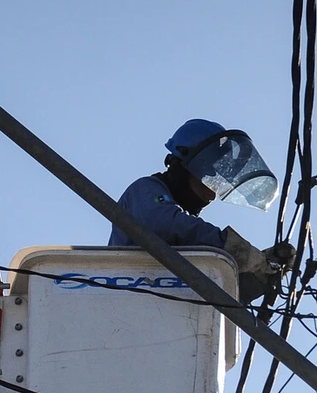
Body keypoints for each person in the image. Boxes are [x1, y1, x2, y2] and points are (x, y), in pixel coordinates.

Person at [108, 118, 289, 301]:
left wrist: (260, 273)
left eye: (217, 182)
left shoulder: (191, 245)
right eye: (208, 176)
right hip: (127, 300)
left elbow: (223, 297)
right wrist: (230, 248)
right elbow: (164, 223)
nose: (211, 194)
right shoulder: (145, 190)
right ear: (183, 166)